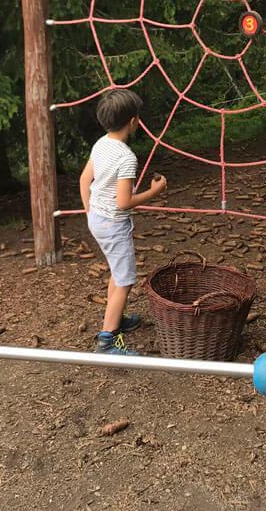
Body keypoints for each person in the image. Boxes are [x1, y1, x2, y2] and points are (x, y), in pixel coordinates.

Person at [80, 89, 166, 354]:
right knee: (125, 280)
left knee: (118, 275)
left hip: (97, 219)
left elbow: (84, 180)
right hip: (113, 226)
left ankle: (116, 319)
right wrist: (154, 192)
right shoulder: (126, 157)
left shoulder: (100, 144)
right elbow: (123, 202)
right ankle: (107, 341)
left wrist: (90, 213)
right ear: (132, 121)